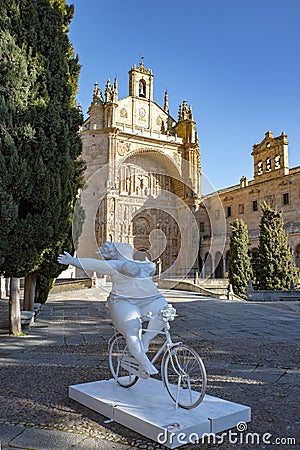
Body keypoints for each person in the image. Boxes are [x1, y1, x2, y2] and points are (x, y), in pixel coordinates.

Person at [58, 242, 168, 376]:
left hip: (148, 300)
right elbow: (93, 264)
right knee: (133, 331)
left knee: (164, 312)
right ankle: (145, 362)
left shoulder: (143, 263)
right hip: (123, 301)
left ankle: (146, 339)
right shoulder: (114, 265)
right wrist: (72, 261)